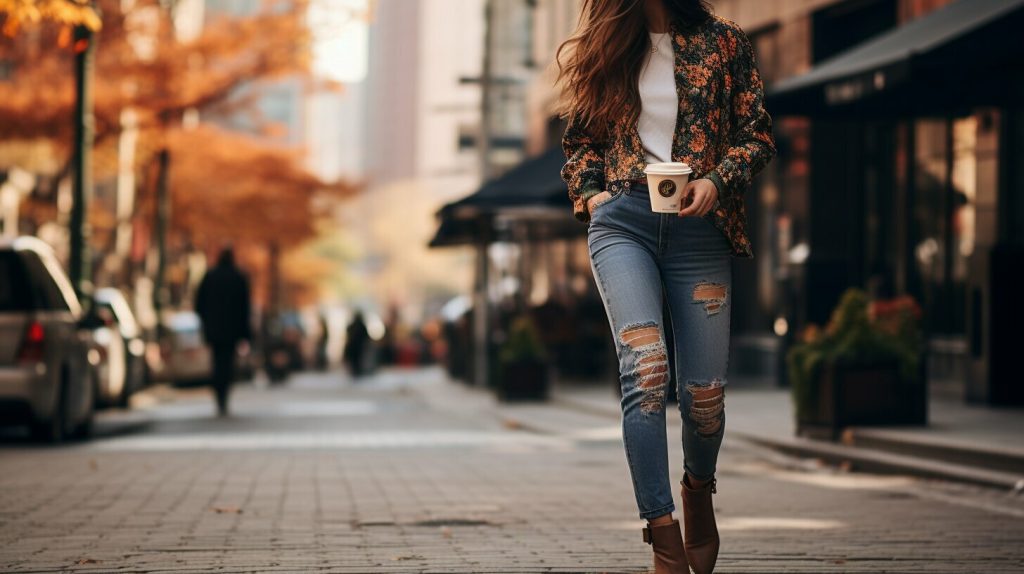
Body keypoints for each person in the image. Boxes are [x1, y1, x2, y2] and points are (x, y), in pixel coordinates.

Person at [556, 1, 776, 573]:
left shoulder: (724, 42)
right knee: (647, 368)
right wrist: (594, 195)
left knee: (705, 398)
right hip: (623, 223)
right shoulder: (605, 42)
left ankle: (698, 490)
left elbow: (757, 135)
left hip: (699, 232)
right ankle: (660, 528)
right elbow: (579, 143)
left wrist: (717, 180)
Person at [194, 247, 252, 417]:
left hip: (214, 329)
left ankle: (219, 395)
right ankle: (224, 395)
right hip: (232, 330)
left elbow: (199, 303)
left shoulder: (210, 276)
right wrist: (245, 333)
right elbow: (244, 308)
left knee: (217, 362)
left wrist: (205, 322)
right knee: (227, 364)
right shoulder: (239, 277)